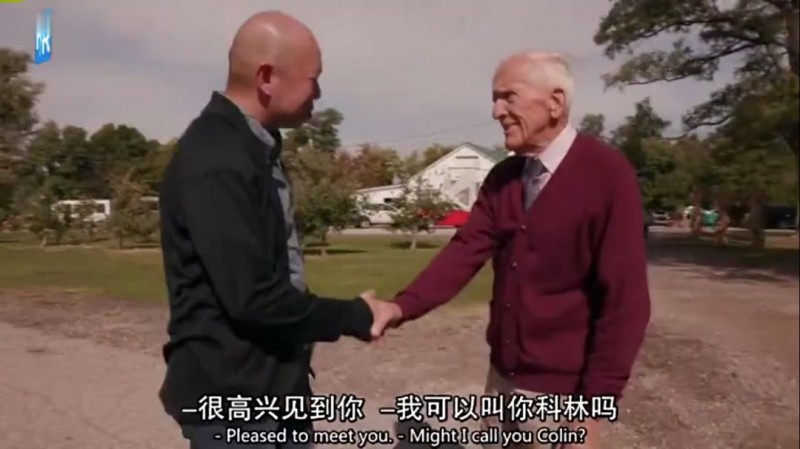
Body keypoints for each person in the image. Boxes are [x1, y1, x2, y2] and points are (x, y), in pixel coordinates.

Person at [379, 52, 652, 448]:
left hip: (562, 397)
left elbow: (626, 303)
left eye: (509, 97)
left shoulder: (607, 175)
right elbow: (465, 251)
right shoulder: (504, 177)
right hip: (502, 380)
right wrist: (400, 307)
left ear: (555, 102)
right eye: (495, 99)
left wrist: (593, 409)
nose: (496, 112)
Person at [157, 11, 394, 448]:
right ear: (267, 77)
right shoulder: (217, 159)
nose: (318, 93)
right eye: (313, 79)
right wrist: (354, 315)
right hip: (234, 400)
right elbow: (253, 298)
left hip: (273, 389)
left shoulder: (252, 148)